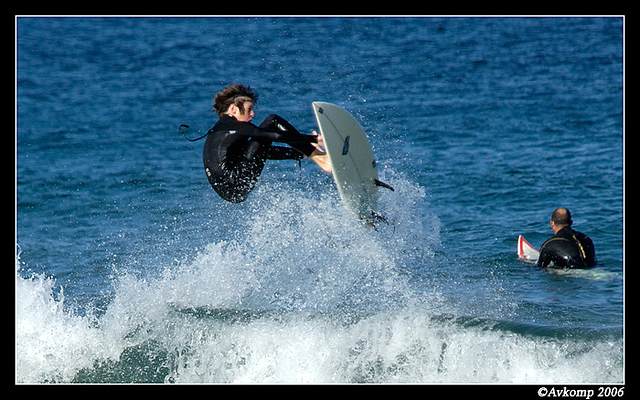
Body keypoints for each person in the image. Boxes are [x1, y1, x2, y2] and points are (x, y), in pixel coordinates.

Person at [202, 84, 331, 203]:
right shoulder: (234, 126)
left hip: (233, 193)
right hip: (238, 182)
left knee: (257, 146)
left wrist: (301, 153)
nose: (252, 114)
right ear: (233, 109)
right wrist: (315, 139)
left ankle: (308, 154)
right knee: (272, 121)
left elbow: (263, 152)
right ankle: (321, 158)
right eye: (249, 109)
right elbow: (274, 135)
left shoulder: (220, 132)